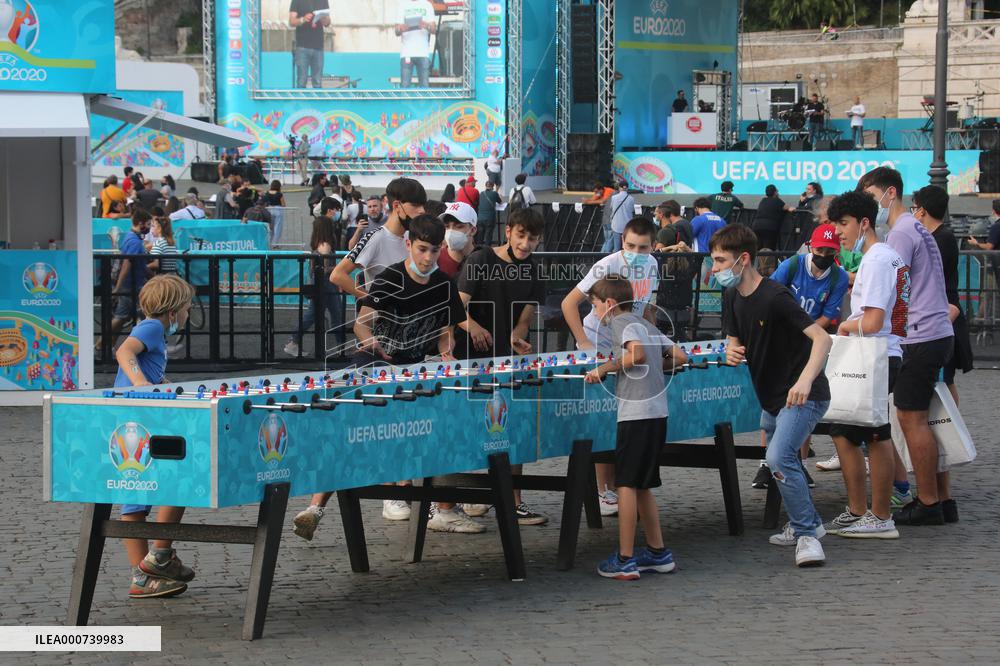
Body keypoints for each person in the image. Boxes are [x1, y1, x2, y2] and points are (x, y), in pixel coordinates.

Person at [713, 224, 832, 566]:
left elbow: (823, 339)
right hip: (772, 398)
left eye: (720, 261)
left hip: (804, 395)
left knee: (778, 458)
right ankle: (806, 523)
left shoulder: (776, 297)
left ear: (743, 259)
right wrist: (731, 350)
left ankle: (808, 536)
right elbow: (733, 339)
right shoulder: (732, 296)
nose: (715, 268)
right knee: (782, 458)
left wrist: (804, 381)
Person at [858, 167, 954, 526]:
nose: (871, 205)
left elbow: (893, 288)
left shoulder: (899, 234)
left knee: (910, 418)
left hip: (921, 333)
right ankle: (941, 498)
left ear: (891, 193)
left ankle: (928, 502)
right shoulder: (915, 226)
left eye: (871, 197)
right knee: (922, 418)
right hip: (935, 331)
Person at [584, 276, 688, 580]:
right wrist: (655, 366)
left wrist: (602, 369)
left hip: (636, 414)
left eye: (595, 306)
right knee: (643, 485)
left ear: (610, 303)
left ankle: (625, 558)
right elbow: (680, 357)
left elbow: (636, 355)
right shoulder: (648, 325)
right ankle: (658, 552)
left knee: (626, 484)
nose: (596, 313)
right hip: (658, 413)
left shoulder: (620, 321)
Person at [455, 207, 548, 526]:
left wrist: (516, 337)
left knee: (512, 428)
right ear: (508, 232)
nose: (525, 244)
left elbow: (525, 317)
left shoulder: (534, 271)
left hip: (507, 361)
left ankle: (513, 501)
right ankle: (467, 497)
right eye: (521, 235)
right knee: (470, 428)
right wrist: (475, 328)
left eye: (532, 239)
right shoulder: (480, 259)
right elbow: (455, 307)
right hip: (469, 357)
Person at [562, 217, 660, 517]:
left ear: (653, 246)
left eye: (643, 247)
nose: (636, 252)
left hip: (629, 342)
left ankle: (620, 487)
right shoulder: (605, 265)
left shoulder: (653, 266)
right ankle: (604, 491)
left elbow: (648, 309)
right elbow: (569, 303)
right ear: (621, 242)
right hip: (599, 340)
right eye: (630, 246)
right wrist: (584, 343)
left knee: (624, 416)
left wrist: (654, 343)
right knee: (606, 417)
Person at [824, 190, 908, 539]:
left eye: (843, 224)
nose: (838, 232)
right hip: (884, 353)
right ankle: (863, 511)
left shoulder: (875, 260)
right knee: (851, 431)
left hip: (875, 353)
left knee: (868, 433)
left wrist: (844, 327)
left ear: (863, 223)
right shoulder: (887, 256)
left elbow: (872, 322)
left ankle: (878, 515)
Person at [114, 274, 195, 598]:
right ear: (172, 311)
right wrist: (140, 383)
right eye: (187, 308)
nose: (188, 314)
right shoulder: (151, 327)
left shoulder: (155, 331)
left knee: (136, 490)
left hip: (138, 420)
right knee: (174, 479)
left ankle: (151, 565)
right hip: (138, 421)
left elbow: (147, 365)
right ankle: (152, 563)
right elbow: (125, 352)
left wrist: (160, 382)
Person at [751, 224, 848, 490]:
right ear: (810, 247)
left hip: (809, 341)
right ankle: (765, 464)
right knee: (772, 400)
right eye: (820, 250)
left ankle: (800, 463)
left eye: (830, 252)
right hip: (780, 338)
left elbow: (828, 315)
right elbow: (769, 295)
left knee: (804, 401)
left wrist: (806, 331)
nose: (824, 256)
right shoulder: (792, 266)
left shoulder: (838, 277)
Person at [911, 184, 973, 523]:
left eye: (914, 207)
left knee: (938, 407)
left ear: (921, 209)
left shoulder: (940, 239)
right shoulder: (939, 237)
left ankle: (940, 495)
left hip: (939, 323)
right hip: (941, 321)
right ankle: (943, 497)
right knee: (938, 405)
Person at [332, 177, 424, 301]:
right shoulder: (375, 238)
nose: (422, 211)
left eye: (423, 205)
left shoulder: (412, 236)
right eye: (415, 205)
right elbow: (337, 275)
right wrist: (374, 301)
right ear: (397, 206)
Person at [284, 216, 345, 359]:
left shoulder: (318, 244)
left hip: (322, 284)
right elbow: (323, 269)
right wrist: (339, 268)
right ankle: (341, 347)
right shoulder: (325, 246)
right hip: (325, 285)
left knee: (318, 315)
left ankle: (294, 342)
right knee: (333, 315)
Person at [101, 210, 152, 350]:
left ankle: (108, 346)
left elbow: (137, 263)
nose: (149, 227)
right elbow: (127, 264)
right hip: (130, 284)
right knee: (122, 316)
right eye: (148, 224)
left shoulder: (130, 237)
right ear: (140, 223)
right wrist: (118, 287)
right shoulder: (135, 241)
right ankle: (100, 346)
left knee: (123, 316)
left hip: (131, 283)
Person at [289, 0, 330, 88]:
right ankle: (300, 97)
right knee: (301, 81)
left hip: (318, 46)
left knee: (318, 81)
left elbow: (327, 23)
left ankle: (317, 97)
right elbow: (291, 21)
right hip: (302, 46)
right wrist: (302, 19)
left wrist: (323, 18)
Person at [396, 0, 436, 88]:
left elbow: (434, 29)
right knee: (405, 86)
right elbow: (396, 31)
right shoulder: (402, 5)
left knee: (424, 86)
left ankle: (423, 99)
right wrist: (401, 28)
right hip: (406, 52)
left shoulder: (427, 5)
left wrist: (426, 25)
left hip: (423, 52)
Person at [437, 201, 478, 278]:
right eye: (447, 226)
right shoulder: (435, 259)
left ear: (472, 230)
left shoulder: (482, 260)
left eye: (459, 227)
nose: (451, 232)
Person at [602, 180, 635, 253]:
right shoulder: (631, 199)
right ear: (627, 188)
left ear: (619, 187)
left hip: (616, 225)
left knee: (616, 248)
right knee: (626, 247)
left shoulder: (614, 198)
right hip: (627, 226)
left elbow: (611, 208)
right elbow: (632, 210)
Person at [753, 185, 787, 251]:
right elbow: (788, 208)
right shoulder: (777, 201)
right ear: (775, 192)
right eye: (777, 191)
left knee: (758, 248)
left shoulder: (763, 200)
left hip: (757, 226)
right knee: (769, 249)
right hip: (769, 228)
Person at [477, 179, 502, 245]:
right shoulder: (494, 193)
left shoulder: (481, 193)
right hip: (490, 218)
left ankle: (479, 248)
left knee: (480, 236)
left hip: (480, 218)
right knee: (488, 235)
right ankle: (487, 248)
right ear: (493, 186)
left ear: (485, 186)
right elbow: (500, 202)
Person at [261, 180, 286, 245]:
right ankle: (275, 243)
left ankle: (269, 241)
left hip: (269, 209)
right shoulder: (279, 194)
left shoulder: (267, 193)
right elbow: (283, 204)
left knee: (270, 227)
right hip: (278, 210)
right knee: (278, 227)